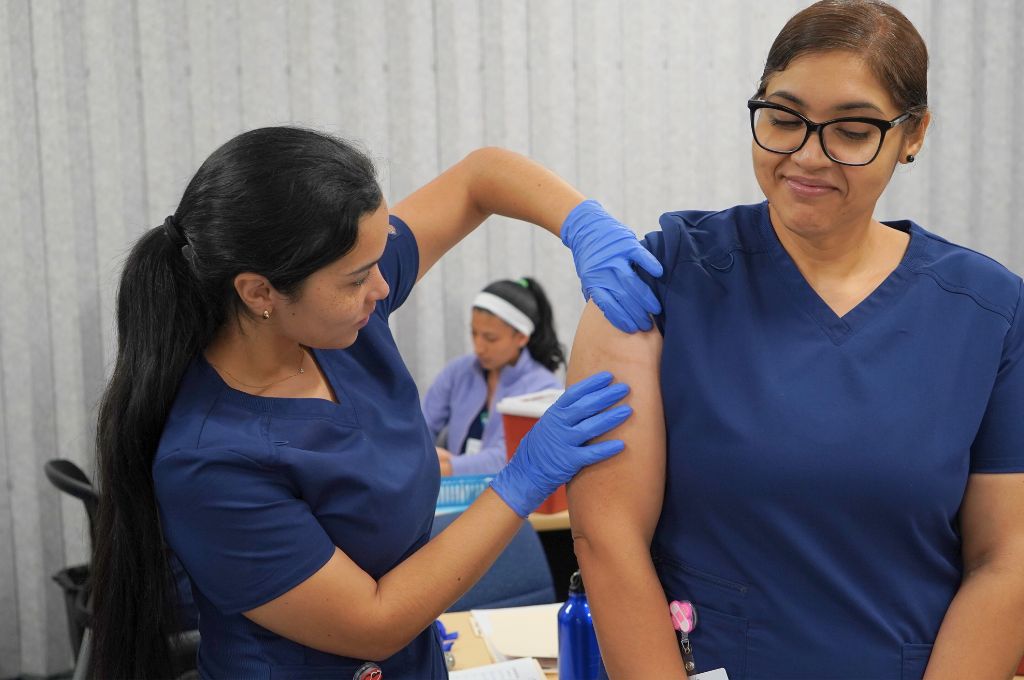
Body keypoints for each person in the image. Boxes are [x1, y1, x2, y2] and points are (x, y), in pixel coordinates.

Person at [89, 127, 665, 679]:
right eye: (359, 276)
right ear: (259, 292)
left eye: (380, 256)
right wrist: (523, 478)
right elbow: (373, 622)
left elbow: (481, 177)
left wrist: (581, 223)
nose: (384, 288)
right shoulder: (209, 460)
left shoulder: (335, 320)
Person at [566, 2, 1024, 678]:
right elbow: (606, 538)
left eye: (852, 129)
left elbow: (1006, 558)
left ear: (913, 133)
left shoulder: (987, 311)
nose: (808, 154)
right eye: (783, 118)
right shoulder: (660, 284)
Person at [424, 277, 564, 476]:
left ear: (522, 337)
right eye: (474, 334)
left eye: (490, 338)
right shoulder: (458, 372)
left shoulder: (544, 389)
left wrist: (447, 468)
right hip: (451, 490)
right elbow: (422, 425)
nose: (479, 347)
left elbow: (509, 457)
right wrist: (420, 455)